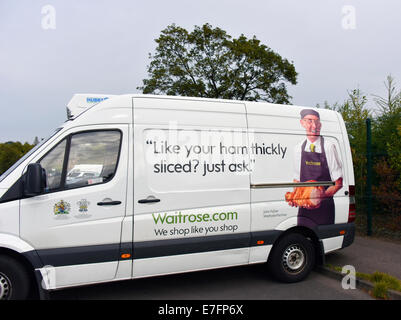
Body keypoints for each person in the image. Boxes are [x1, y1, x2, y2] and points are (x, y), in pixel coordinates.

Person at [288, 109, 343, 227]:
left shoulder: (329, 147)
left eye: (317, 122)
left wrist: (319, 197)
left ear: (320, 125)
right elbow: (297, 181)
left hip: (325, 209)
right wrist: (296, 197)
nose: (314, 126)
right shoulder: (297, 149)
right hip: (304, 210)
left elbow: (338, 183)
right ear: (302, 123)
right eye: (310, 121)